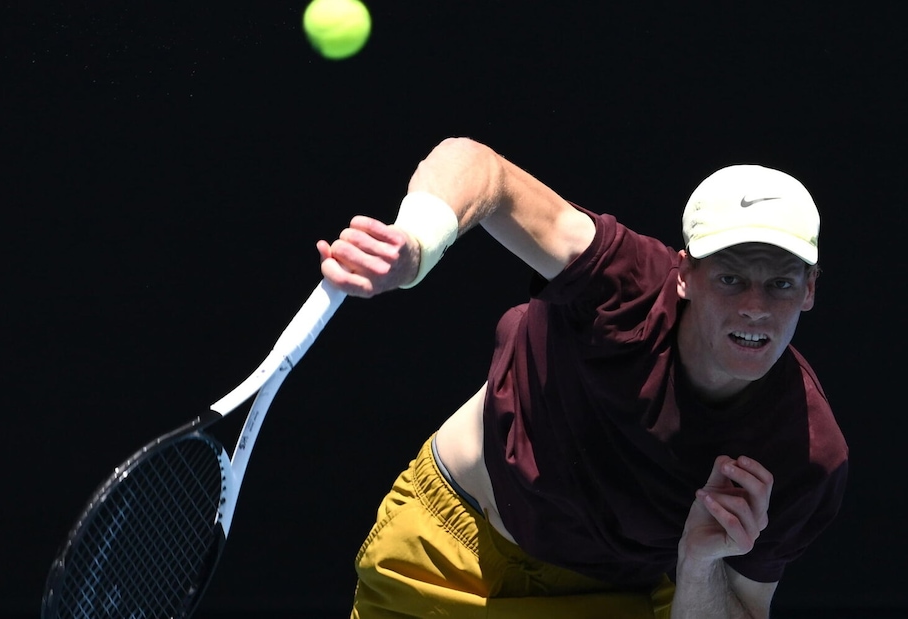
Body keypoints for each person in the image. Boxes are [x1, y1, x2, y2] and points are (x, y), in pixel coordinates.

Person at [317, 137, 848, 619]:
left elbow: (740, 612)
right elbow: (479, 167)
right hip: (449, 557)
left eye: (779, 284)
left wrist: (699, 564)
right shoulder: (622, 283)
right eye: (731, 278)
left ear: (809, 290)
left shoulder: (805, 452)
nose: (755, 308)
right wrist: (415, 242)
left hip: (616, 597)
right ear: (685, 274)